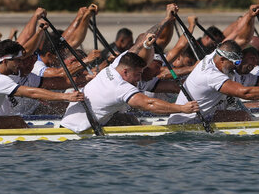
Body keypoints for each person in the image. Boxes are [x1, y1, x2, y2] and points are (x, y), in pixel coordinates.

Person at [0, 40, 85, 130]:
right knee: (16, 123)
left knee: (16, 121)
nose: (20, 64)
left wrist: (40, 31)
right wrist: (67, 96)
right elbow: (31, 92)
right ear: (6, 61)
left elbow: (26, 46)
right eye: (18, 60)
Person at [60, 52, 201, 133]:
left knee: (128, 119)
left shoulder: (113, 67)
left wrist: (148, 43)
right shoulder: (121, 87)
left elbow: (139, 46)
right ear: (126, 71)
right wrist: (182, 108)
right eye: (138, 74)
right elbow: (148, 103)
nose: (140, 78)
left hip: (70, 121)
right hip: (76, 132)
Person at [167, 39, 259, 125]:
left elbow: (242, 38)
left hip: (203, 115)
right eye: (235, 63)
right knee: (243, 117)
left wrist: (251, 15)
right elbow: (244, 93)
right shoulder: (212, 75)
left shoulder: (214, 55)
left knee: (242, 115)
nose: (236, 66)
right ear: (222, 59)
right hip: (187, 122)